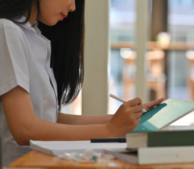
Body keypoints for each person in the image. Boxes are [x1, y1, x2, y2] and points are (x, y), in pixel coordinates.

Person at [0, 0, 164, 166]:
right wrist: (109, 130)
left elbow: (49, 118)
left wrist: (128, 118)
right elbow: (25, 129)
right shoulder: (7, 30)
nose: (73, 7)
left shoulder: (32, 35)